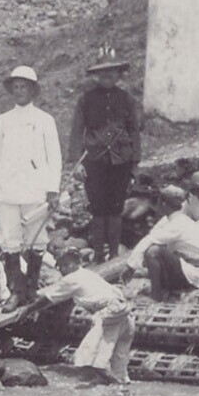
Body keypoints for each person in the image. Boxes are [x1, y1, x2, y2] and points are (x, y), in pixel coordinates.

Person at [0, 65, 64, 303]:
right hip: (8, 190)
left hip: (35, 189)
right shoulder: (3, 120)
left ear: (33, 90)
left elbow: (54, 157)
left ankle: (31, 288)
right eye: (16, 87)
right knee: (11, 240)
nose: (19, 91)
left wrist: (52, 190)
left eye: (24, 87)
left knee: (37, 238)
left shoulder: (44, 120)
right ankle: (16, 292)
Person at [71, 47, 142, 262]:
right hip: (95, 161)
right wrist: (77, 163)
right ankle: (99, 255)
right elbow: (77, 131)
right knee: (98, 208)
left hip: (121, 161)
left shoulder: (126, 99)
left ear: (118, 73)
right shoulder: (86, 100)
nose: (107, 76)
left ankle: (114, 254)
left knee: (116, 207)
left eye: (111, 71)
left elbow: (134, 131)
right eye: (103, 72)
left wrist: (135, 163)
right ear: (96, 75)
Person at [35, 259, 136, 386]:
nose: (61, 270)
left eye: (62, 266)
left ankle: (117, 384)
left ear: (68, 265)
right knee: (119, 363)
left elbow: (48, 298)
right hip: (123, 314)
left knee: (92, 360)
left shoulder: (71, 279)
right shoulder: (89, 274)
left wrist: (27, 309)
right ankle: (121, 386)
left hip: (109, 315)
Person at [119, 185, 199, 297]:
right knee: (148, 256)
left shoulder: (177, 223)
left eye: (159, 200)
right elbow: (152, 235)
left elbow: (149, 240)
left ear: (163, 203)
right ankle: (160, 285)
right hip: (190, 266)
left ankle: (157, 294)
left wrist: (130, 266)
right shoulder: (170, 220)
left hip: (194, 273)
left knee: (153, 251)